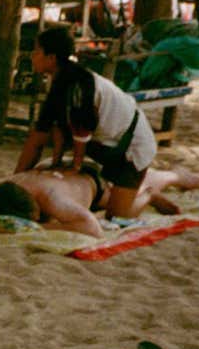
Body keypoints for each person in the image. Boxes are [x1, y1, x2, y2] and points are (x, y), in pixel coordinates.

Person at [15, 27, 158, 219]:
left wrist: (75, 166)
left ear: (52, 58)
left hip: (132, 146)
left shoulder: (78, 85)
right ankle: (122, 194)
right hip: (105, 142)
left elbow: (83, 128)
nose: (32, 56)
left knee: (116, 218)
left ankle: (148, 195)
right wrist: (18, 179)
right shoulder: (59, 80)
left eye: (36, 52)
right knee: (39, 137)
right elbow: (45, 131)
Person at [0, 164, 199, 237]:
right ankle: (156, 187)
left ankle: (172, 178)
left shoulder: (52, 199)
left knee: (134, 195)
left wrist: (47, 228)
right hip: (62, 172)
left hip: (93, 183)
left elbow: (92, 227)